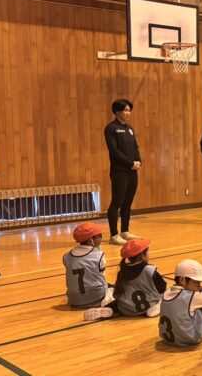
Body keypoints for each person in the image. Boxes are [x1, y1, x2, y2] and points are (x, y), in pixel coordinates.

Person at [85, 238, 166, 321]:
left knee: (116, 299)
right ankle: (157, 305)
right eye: (148, 251)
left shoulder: (123, 270)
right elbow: (162, 288)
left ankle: (110, 308)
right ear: (142, 255)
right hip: (147, 305)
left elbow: (117, 294)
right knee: (166, 295)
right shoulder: (150, 270)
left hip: (126, 309)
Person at [104, 98, 142, 245]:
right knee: (117, 202)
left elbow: (135, 147)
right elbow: (114, 151)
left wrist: (138, 161)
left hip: (132, 171)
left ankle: (124, 231)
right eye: (125, 110)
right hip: (120, 172)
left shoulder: (129, 129)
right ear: (117, 111)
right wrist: (130, 163)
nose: (128, 113)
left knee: (128, 202)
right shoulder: (111, 128)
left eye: (129, 110)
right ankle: (114, 235)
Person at [158, 259, 202, 347]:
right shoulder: (191, 296)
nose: (199, 285)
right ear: (182, 280)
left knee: (196, 301)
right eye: (196, 282)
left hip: (167, 339)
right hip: (191, 339)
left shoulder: (166, 292)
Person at [63, 222, 110, 308]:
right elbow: (102, 278)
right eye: (99, 235)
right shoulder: (99, 255)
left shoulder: (66, 256)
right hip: (97, 297)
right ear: (90, 240)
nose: (101, 238)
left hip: (74, 300)